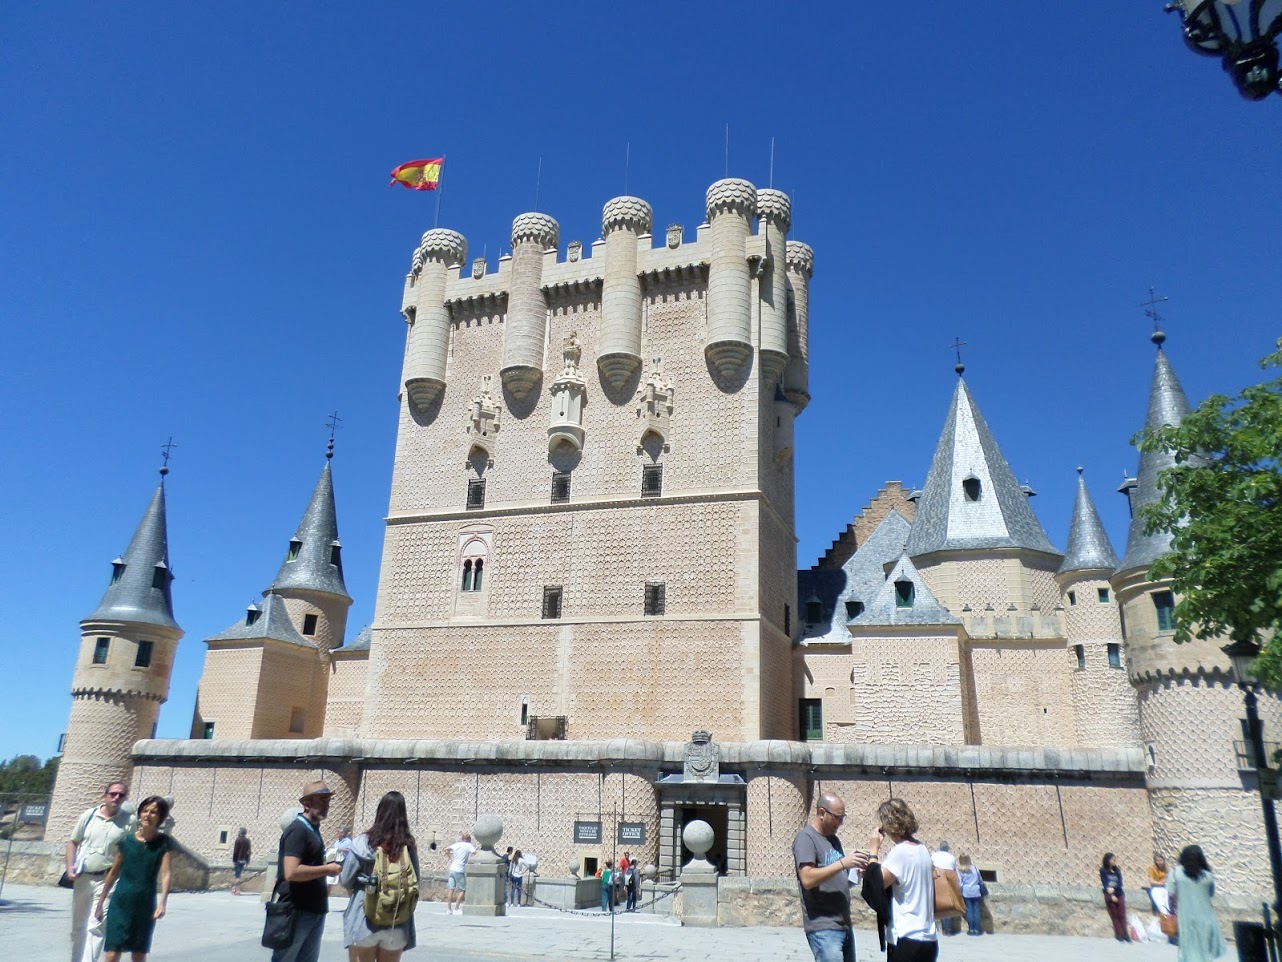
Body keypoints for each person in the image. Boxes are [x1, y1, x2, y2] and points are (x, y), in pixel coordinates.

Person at [339, 791, 420, 961]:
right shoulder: (408, 846)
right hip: (396, 921)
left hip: (364, 917)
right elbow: (416, 881)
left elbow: (346, 879)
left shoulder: (364, 843)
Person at [94, 796, 173, 962]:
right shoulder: (127, 842)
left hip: (145, 905)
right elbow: (113, 873)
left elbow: (166, 874)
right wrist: (100, 902)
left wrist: (163, 903)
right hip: (121, 903)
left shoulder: (163, 843)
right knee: (112, 953)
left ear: (160, 818)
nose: (148, 815)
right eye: (145, 811)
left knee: (138, 954)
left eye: (153, 812)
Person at [271, 780, 343, 962]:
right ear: (307, 803)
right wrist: (327, 869)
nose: (326, 804)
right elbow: (291, 872)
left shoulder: (312, 830)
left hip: (313, 910)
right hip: (296, 911)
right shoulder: (298, 830)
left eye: (328, 800)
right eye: (321, 799)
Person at [793, 790, 868, 962]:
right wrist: (843, 863)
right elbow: (808, 879)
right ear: (821, 813)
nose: (841, 823)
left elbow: (837, 878)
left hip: (843, 924)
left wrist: (855, 871)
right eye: (837, 817)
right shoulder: (806, 838)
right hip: (823, 927)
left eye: (843, 817)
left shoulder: (833, 840)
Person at [67, 780, 133, 962]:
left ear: (125, 798)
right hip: (83, 878)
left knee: (96, 926)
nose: (116, 797)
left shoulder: (129, 821)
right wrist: (69, 867)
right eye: (113, 794)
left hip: (108, 879)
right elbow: (73, 842)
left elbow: (131, 849)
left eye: (121, 795)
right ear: (104, 796)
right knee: (78, 926)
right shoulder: (88, 816)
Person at [867, 798, 937, 962]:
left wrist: (873, 849)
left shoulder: (900, 852)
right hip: (928, 938)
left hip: (907, 937)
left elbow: (876, 884)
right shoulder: (922, 849)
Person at [1169, 845, 1226, 962]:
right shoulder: (1208, 876)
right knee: (1204, 953)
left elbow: (1171, 895)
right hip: (1206, 918)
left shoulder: (1175, 873)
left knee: (1187, 952)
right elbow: (1210, 893)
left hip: (1185, 917)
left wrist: (1172, 912)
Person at [1100, 852, 1130, 943]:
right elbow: (1105, 883)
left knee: (1122, 914)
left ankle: (1125, 934)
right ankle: (1118, 934)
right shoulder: (1103, 870)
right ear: (1108, 861)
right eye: (1113, 860)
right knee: (1115, 914)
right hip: (1109, 894)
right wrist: (1111, 895)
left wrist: (1114, 889)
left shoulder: (1117, 870)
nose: (1115, 862)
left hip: (1119, 893)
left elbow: (1120, 883)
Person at [931, 841, 958, 935]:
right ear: (948, 848)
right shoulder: (952, 857)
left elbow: (931, 866)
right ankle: (947, 929)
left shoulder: (934, 855)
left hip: (937, 880)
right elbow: (954, 870)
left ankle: (938, 927)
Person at [445, 831, 474, 915]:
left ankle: (449, 909)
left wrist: (451, 857)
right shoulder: (468, 845)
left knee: (451, 889)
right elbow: (475, 853)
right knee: (463, 889)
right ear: (468, 839)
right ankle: (456, 908)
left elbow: (446, 849)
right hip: (459, 870)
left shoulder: (456, 845)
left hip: (452, 869)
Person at [956, 853, 984, 936]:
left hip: (966, 891)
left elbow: (960, 883)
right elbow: (980, 880)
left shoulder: (960, 870)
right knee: (976, 910)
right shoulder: (975, 868)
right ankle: (977, 929)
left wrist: (960, 891)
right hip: (976, 891)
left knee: (969, 911)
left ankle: (971, 929)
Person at [1148, 852, 1171, 916]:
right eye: (1157, 860)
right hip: (1156, 888)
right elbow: (1151, 881)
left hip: (1164, 888)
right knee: (1161, 904)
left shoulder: (1166, 869)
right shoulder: (1152, 868)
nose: (1159, 862)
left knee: (1168, 904)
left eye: (1161, 860)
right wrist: (1160, 883)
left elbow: (1167, 879)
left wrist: (1163, 882)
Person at [232, 829, 251, 896]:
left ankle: (237, 890)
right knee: (238, 874)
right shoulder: (248, 841)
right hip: (243, 860)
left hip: (238, 860)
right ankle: (234, 888)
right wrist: (248, 860)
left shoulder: (238, 840)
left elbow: (235, 851)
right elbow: (248, 851)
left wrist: (234, 860)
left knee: (237, 876)